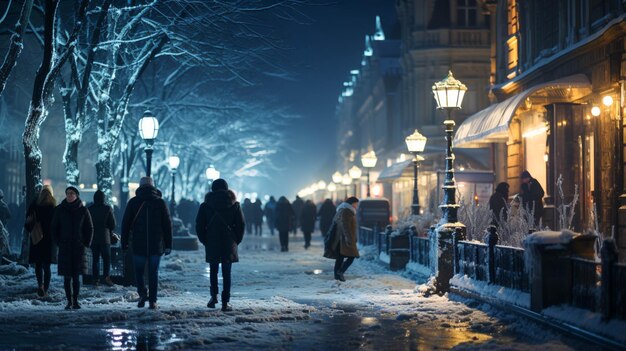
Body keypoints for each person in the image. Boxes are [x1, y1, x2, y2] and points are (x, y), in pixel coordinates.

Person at [121, 177, 172, 310]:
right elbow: (167, 225)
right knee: (153, 273)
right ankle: (153, 301)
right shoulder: (160, 202)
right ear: (153, 187)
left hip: (138, 244)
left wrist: (124, 243)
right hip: (156, 244)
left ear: (140, 186)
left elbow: (125, 224)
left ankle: (143, 294)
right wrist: (168, 244)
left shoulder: (133, 202)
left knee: (139, 272)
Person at [195, 179, 244, 312]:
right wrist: (236, 240)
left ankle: (213, 297)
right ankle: (225, 302)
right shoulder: (235, 205)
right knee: (227, 273)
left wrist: (205, 240)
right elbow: (241, 225)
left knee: (213, 270)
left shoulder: (205, 205)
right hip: (229, 242)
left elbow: (199, 225)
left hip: (212, 241)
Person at [51, 186, 94, 309]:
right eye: (68, 193)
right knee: (67, 276)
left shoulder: (83, 210)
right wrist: (58, 242)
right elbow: (54, 227)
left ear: (76, 195)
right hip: (65, 247)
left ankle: (75, 301)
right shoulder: (60, 210)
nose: (69, 195)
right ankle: (69, 301)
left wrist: (86, 243)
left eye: (72, 193)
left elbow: (89, 228)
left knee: (76, 276)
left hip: (78, 247)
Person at [25, 185, 57, 297]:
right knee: (47, 266)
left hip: (37, 238)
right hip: (49, 240)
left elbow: (27, 223)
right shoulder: (53, 206)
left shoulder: (35, 205)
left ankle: (40, 285)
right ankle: (46, 289)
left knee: (38, 265)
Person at [88, 190, 116, 287]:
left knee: (95, 259)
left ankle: (95, 279)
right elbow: (112, 224)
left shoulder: (90, 209)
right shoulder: (107, 208)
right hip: (105, 238)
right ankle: (106, 278)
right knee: (106, 258)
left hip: (93, 237)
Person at [333, 197, 360, 282]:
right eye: (356, 204)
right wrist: (349, 238)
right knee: (351, 256)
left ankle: (337, 275)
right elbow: (346, 226)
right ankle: (340, 272)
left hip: (340, 237)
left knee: (340, 257)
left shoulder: (343, 210)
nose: (357, 206)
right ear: (352, 203)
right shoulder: (347, 211)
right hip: (344, 238)